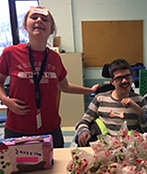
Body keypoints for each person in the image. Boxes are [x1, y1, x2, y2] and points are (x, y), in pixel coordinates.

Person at [0, 6, 99, 148]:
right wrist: (5, 100)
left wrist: (90, 91)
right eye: (34, 18)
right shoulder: (11, 53)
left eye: (45, 19)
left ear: (51, 29)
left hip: (50, 129)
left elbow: (64, 86)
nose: (39, 20)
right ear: (25, 25)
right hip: (17, 129)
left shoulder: (55, 58)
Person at [75, 59, 147, 147]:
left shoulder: (139, 100)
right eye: (119, 78)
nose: (124, 81)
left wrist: (136, 107)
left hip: (130, 149)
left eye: (127, 76)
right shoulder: (100, 99)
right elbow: (83, 121)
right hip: (104, 149)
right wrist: (84, 131)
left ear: (132, 78)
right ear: (112, 82)